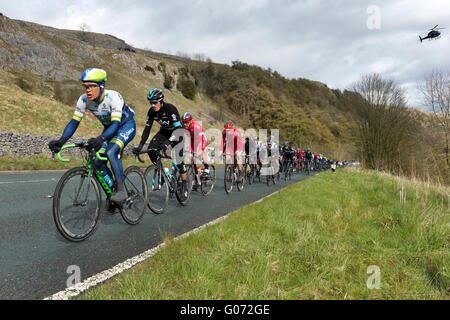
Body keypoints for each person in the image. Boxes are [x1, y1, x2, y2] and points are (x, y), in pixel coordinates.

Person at [48, 68, 135, 204]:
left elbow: (116, 124)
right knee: (97, 162)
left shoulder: (114, 97)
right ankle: (111, 192)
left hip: (125, 126)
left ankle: (122, 190)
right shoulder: (83, 100)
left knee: (111, 152)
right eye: (85, 86)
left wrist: (101, 139)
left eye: (91, 86)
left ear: (101, 86)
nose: (87, 90)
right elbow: (74, 122)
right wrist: (61, 141)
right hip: (109, 129)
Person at [132, 88, 189, 199]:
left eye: (155, 102)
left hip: (177, 133)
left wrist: (167, 143)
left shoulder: (170, 109)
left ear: (161, 101)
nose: (153, 105)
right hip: (164, 132)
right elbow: (147, 130)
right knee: (151, 150)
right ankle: (162, 171)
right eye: (151, 103)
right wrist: (140, 145)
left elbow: (178, 129)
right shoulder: (151, 111)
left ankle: (184, 184)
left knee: (179, 162)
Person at [181, 112, 209, 178]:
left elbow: (199, 144)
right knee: (190, 156)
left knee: (198, 154)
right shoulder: (182, 125)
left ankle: (207, 168)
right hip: (193, 139)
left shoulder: (196, 126)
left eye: (186, 122)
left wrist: (198, 152)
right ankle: (197, 171)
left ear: (191, 121)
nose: (185, 124)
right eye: (183, 122)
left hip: (201, 140)